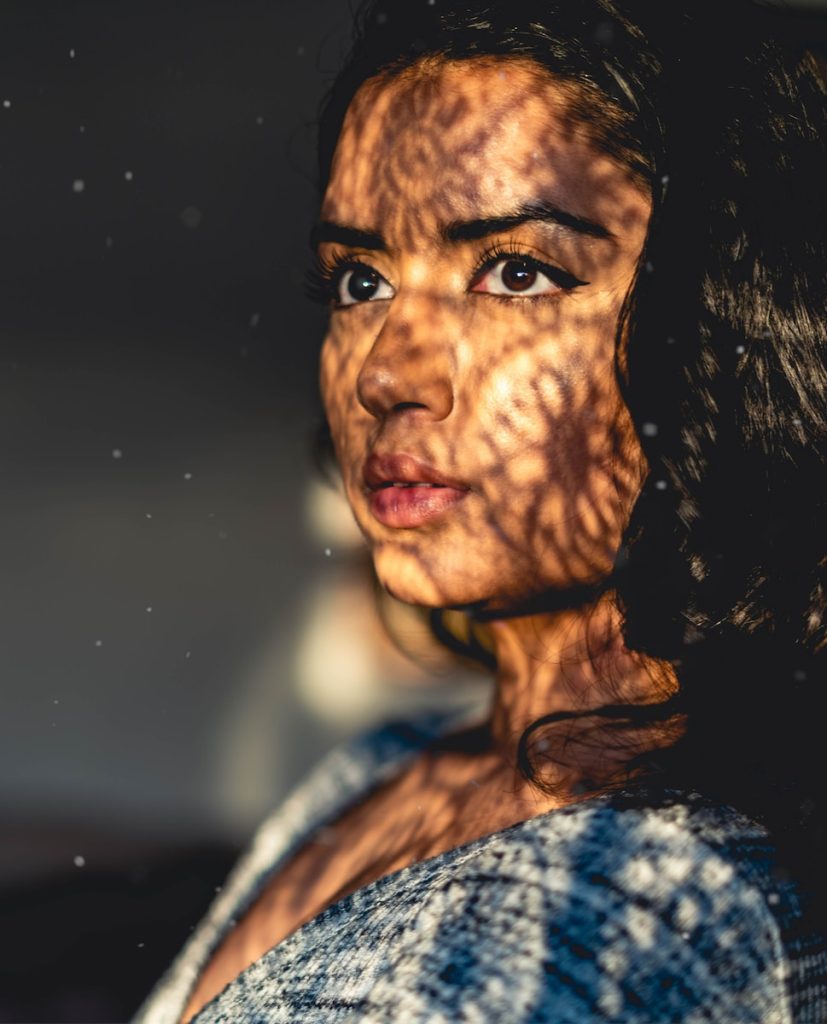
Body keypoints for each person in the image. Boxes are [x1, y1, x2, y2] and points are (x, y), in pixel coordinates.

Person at [135, 0, 827, 1020]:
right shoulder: (387, 762)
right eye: (359, 279)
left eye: (515, 272)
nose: (385, 373)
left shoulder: (626, 907)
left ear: (731, 322)